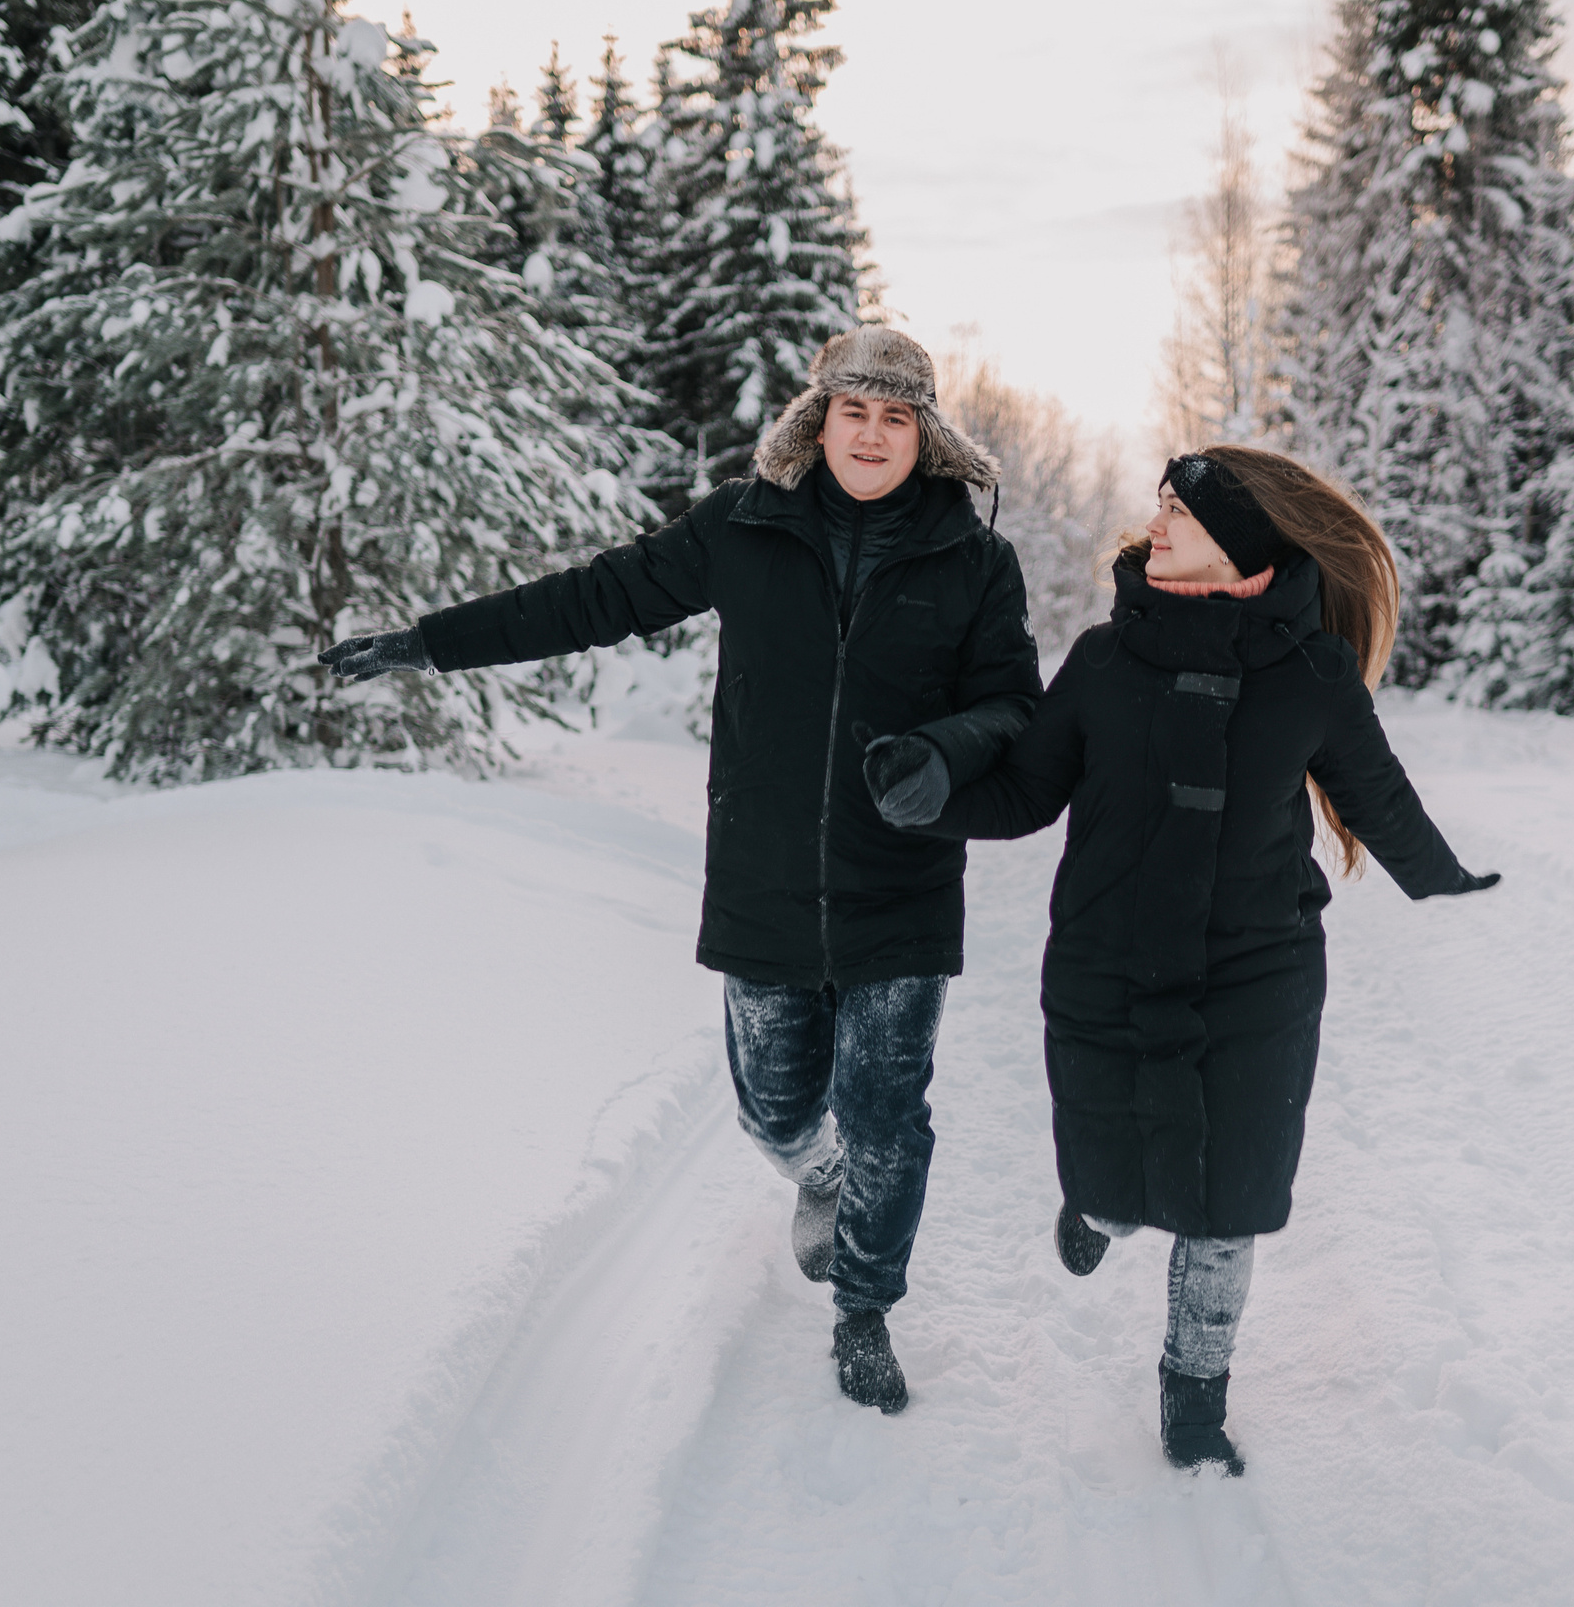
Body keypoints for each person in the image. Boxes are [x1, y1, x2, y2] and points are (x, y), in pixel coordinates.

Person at [319, 326, 1041, 1414]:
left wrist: (943, 754)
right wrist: (432, 642)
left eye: (896, 417)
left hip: (902, 881)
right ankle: (819, 1175)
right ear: (820, 420)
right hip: (763, 876)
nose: (873, 434)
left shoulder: (973, 561)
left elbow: (1012, 705)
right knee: (774, 1114)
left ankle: (863, 1309)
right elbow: (593, 598)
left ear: (924, 434)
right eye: (854, 411)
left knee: (889, 1120)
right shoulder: (742, 527)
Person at [862, 444, 1498, 1473]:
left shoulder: (1311, 676)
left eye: (1178, 512)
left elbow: (1380, 800)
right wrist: (932, 798)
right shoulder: (1105, 660)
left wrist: (1448, 879)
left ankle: (1194, 1397)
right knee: (1114, 1180)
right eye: (1159, 507)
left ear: (1237, 542)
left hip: (1259, 975)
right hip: (1105, 964)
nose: (1154, 525)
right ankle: (1102, 1206)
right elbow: (1026, 793)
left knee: (1225, 1205)